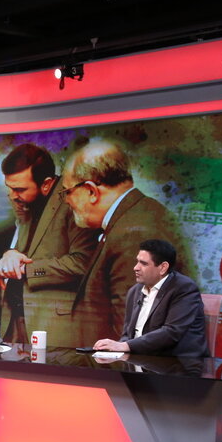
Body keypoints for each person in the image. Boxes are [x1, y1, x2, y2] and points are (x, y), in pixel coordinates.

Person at [59, 139, 194, 347]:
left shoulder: (132, 235)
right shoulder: (142, 214)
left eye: (67, 192)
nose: (66, 201)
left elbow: (129, 339)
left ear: (91, 191)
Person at [0, 143, 98, 345]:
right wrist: (10, 257)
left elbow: (84, 263)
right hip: (14, 324)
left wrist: (25, 270)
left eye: (19, 189)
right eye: (9, 188)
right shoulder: (27, 202)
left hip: (54, 328)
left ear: (46, 184)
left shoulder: (73, 201)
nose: (12, 196)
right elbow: (27, 251)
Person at [94, 239, 210, 357]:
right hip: (140, 358)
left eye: (143, 263)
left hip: (176, 362)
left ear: (163, 267)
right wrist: (114, 350)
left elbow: (172, 333)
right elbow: (127, 335)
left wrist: (125, 346)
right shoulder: (134, 291)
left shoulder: (184, 288)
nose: (136, 267)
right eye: (137, 262)